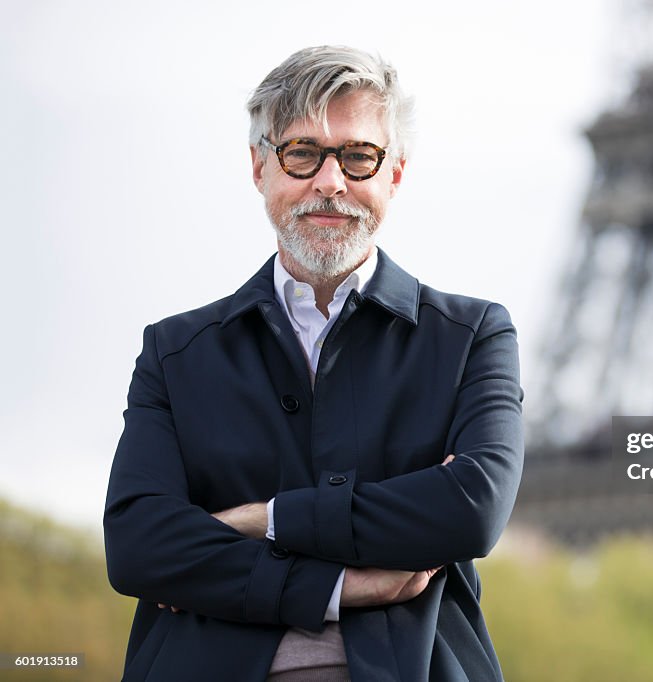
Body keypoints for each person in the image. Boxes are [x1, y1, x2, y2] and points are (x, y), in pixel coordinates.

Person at [104, 45, 524, 682]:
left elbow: (472, 508)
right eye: (302, 152)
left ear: (397, 173)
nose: (330, 182)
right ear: (258, 167)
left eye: (358, 156)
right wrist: (347, 587)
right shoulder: (174, 352)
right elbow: (139, 548)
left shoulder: (471, 336)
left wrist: (263, 520)